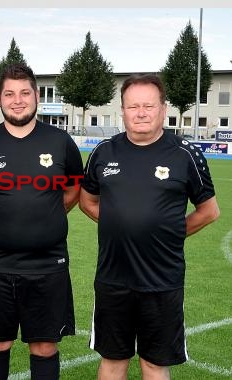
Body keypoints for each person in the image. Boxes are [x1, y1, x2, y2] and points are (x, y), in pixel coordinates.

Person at [79, 74, 220, 380]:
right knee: (113, 360)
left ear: (162, 108)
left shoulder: (185, 154)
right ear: (122, 110)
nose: (140, 113)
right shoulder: (104, 152)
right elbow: (87, 201)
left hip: (162, 281)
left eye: (148, 106)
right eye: (133, 106)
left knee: (154, 364)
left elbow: (209, 211)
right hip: (113, 279)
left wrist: (168, 233)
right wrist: (121, 225)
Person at [0, 63, 83, 380]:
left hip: (47, 264)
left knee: (44, 346)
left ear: (36, 96)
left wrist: (45, 219)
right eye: (9, 93)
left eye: (24, 92)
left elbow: (73, 190)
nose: (17, 100)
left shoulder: (61, 142)